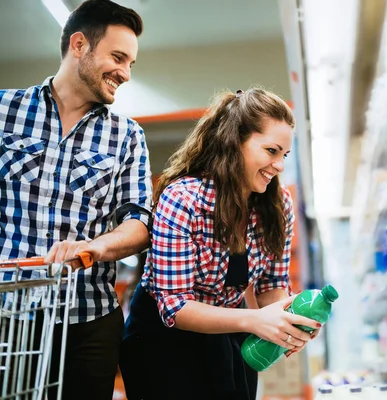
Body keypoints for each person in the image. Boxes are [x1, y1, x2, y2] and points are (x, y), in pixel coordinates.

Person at [0, 1, 152, 398]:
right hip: (2, 313)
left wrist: (95, 247)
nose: (125, 73)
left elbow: (140, 225)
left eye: (131, 63)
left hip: (87, 319)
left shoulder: (127, 136)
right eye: (117, 57)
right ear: (79, 45)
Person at [120, 88, 321, 400]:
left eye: (285, 155)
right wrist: (255, 320)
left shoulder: (277, 204)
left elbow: (272, 286)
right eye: (271, 151)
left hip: (231, 331)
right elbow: (175, 308)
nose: (279, 165)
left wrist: (289, 320)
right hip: (163, 341)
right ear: (235, 142)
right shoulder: (183, 198)